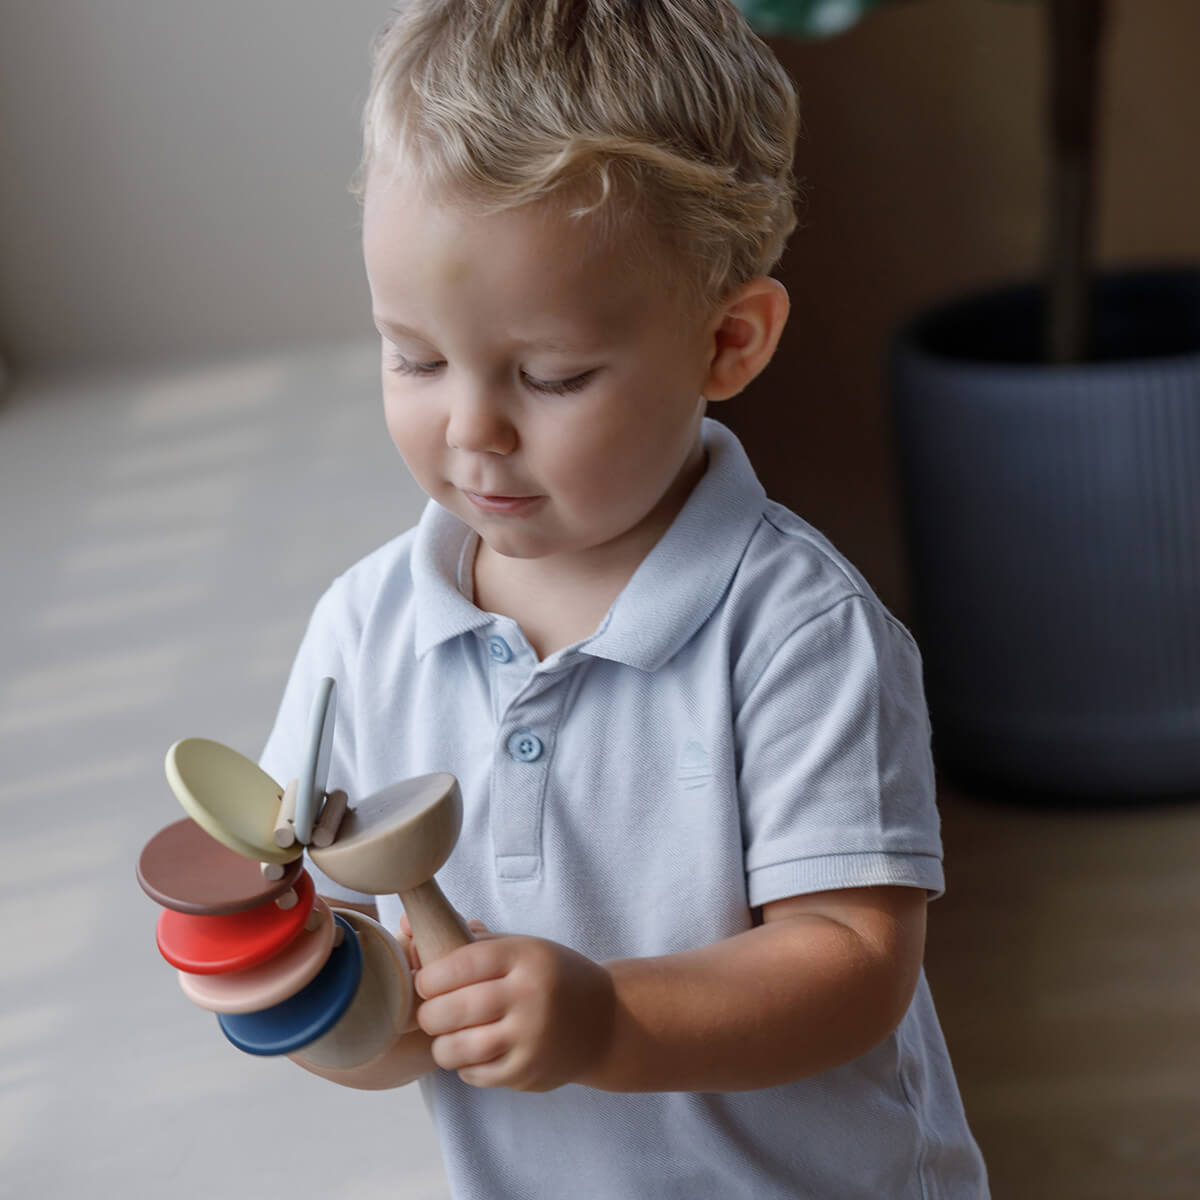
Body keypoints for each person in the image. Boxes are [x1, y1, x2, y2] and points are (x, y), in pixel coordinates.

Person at [259, 0, 989, 1194]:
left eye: (551, 376)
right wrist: (297, 992)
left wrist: (605, 1020)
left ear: (728, 343)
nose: (473, 427)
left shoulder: (798, 632)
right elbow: (372, 1001)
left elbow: (854, 961)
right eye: (415, 357)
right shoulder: (362, 632)